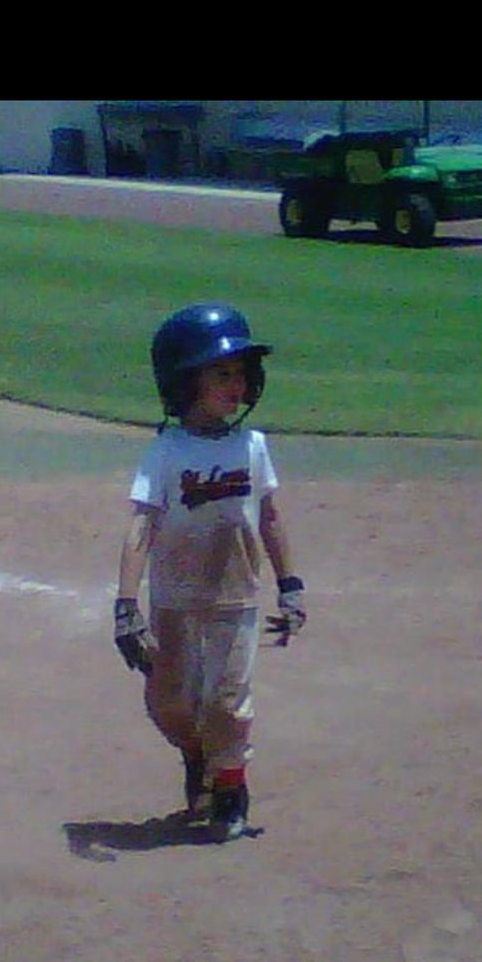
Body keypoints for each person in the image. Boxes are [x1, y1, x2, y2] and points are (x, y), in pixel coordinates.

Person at [113, 303, 306, 842]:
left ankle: (229, 787)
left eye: (241, 373)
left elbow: (270, 517)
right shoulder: (166, 451)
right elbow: (142, 526)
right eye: (221, 372)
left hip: (236, 597)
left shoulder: (253, 447)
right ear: (184, 381)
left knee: (227, 701)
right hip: (174, 599)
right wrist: (126, 604)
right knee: (169, 703)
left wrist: (291, 586)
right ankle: (198, 755)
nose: (235, 383)